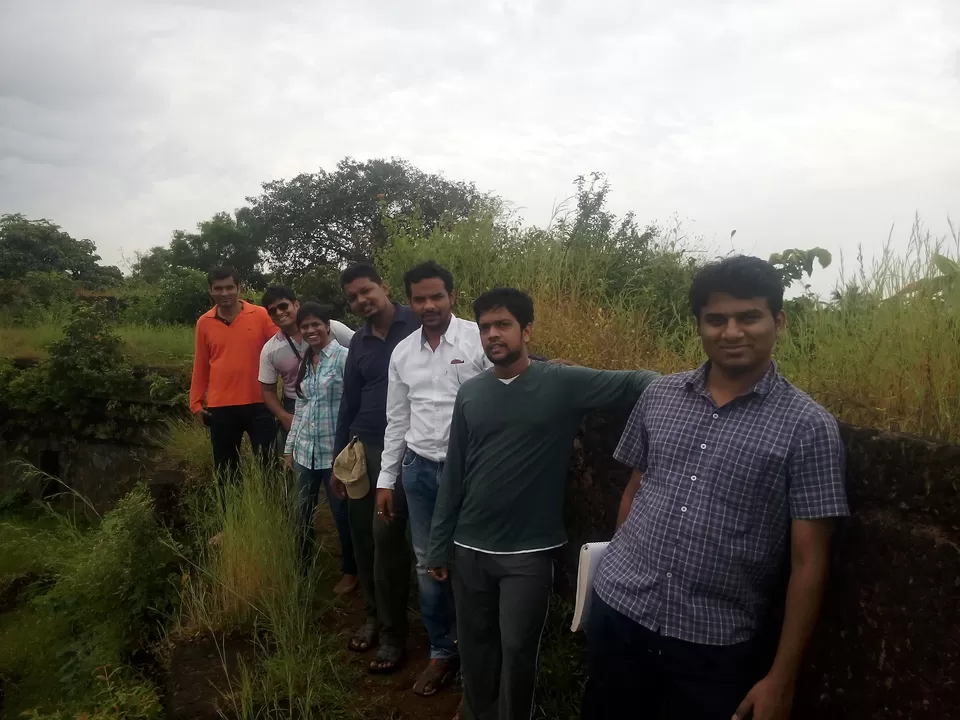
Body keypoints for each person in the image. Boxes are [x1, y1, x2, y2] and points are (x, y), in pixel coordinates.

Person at [581, 256, 849, 720]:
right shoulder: (659, 396)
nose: (731, 332)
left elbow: (810, 561)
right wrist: (615, 566)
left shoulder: (808, 427)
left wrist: (781, 678)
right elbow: (635, 489)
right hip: (619, 612)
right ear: (700, 326)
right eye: (716, 320)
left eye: (749, 317)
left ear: (778, 321)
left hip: (713, 643)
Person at [426, 287, 658, 720]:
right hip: (470, 547)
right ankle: (477, 710)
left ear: (526, 330)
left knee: (517, 649)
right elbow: (454, 473)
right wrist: (439, 544)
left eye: (503, 325)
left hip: (529, 552)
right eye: (485, 327)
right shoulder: (472, 393)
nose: (493, 334)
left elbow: (638, 382)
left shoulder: (562, 383)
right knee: (474, 646)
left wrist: (694, 392)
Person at [376, 261, 491, 697]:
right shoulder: (402, 353)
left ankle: (477, 658)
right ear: (410, 300)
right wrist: (387, 479)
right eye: (419, 298)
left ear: (452, 297)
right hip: (420, 472)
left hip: (473, 473)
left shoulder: (477, 340)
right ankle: (443, 652)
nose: (428, 305)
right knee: (429, 566)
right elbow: (396, 420)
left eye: (436, 297)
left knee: (473, 565)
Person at [332, 263, 420, 674]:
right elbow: (348, 404)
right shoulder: (361, 345)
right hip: (363, 448)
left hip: (406, 448)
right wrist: (338, 462)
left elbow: (473, 349)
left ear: (384, 286)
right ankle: (371, 614)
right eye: (352, 298)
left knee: (387, 542)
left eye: (366, 291)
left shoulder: (419, 322)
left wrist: (540, 361)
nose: (361, 301)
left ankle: (392, 633)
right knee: (361, 538)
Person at [281, 302, 357, 593]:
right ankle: (301, 567)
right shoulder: (305, 361)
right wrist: (289, 449)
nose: (311, 330)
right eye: (305, 326)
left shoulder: (344, 358)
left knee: (341, 515)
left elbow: (354, 404)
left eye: (316, 324)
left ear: (328, 326)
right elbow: (300, 408)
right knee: (301, 511)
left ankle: (351, 571)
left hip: (333, 454)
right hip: (304, 452)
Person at [190, 266, 277, 481]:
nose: (225, 293)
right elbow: (201, 364)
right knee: (226, 472)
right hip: (222, 407)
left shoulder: (260, 315)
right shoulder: (204, 323)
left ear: (239, 287)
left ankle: (277, 511)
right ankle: (232, 513)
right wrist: (196, 403)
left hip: (260, 402)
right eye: (218, 288)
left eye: (230, 287)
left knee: (269, 467)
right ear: (211, 291)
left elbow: (281, 349)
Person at [259, 286, 354, 452]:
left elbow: (361, 348)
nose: (279, 313)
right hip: (294, 404)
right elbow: (267, 390)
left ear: (296, 305)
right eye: (273, 311)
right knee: (296, 461)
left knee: (339, 455)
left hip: (335, 398)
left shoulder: (332, 328)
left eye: (283, 306)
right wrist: (283, 416)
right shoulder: (270, 349)